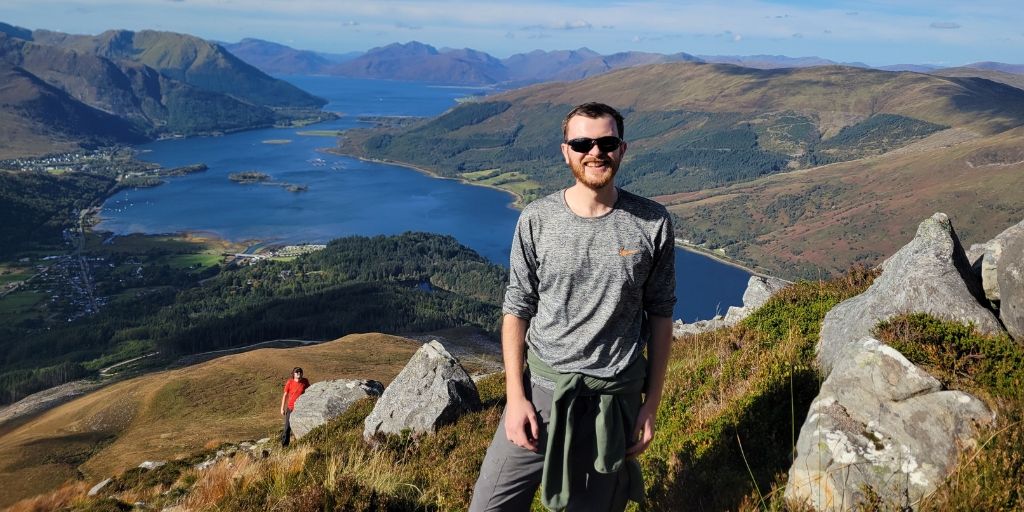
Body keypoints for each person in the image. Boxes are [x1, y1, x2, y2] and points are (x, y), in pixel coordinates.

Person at [469, 102, 676, 512]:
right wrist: (515, 397)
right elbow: (517, 310)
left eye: (607, 141)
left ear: (622, 148)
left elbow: (661, 316)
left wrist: (650, 405)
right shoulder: (537, 219)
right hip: (543, 394)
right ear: (566, 151)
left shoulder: (653, 223)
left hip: (613, 401)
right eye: (582, 142)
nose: (595, 151)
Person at [280, 366, 310, 447]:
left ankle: (302, 445)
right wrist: (282, 408)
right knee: (287, 428)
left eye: (300, 372)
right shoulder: (290, 382)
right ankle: (284, 446)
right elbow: (285, 395)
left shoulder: (305, 381)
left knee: (302, 426)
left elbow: (309, 392)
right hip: (291, 408)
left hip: (301, 408)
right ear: (293, 374)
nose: (299, 374)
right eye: (297, 372)